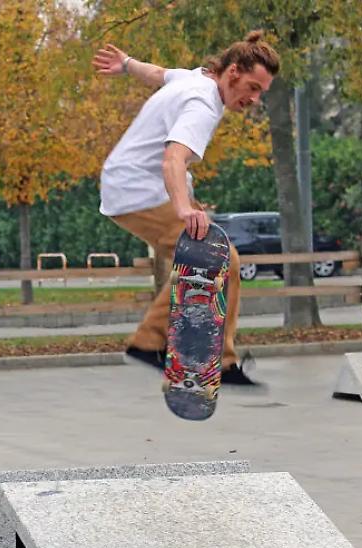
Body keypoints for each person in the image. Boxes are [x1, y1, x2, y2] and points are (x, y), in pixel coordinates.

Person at [92, 31, 279, 386]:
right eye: (252, 87)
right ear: (233, 72)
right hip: (140, 192)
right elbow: (172, 159)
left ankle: (152, 342)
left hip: (130, 184)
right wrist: (183, 209)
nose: (253, 99)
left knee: (207, 262)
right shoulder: (203, 104)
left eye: (260, 93)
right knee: (221, 259)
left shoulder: (195, 78)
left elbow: (158, 73)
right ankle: (210, 359)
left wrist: (127, 64)